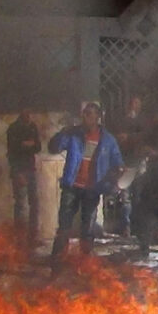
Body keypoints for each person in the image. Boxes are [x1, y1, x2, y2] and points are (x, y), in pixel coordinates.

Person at [48, 102, 124, 272]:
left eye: (90, 114)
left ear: (98, 117)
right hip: (72, 186)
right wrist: (63, 132)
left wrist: (116, 177)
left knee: (87, 228)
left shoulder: (108, 140)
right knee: (64, 226)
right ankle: (57, 264)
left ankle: (84, 265)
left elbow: (117, 162)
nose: (86, 117)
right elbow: (53, 148)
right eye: (85, 114)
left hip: (93, 188)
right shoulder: (74, 134)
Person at [6, 109, 41, 248]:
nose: (28, 116)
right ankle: (20, 239)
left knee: (35, 204)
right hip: (19, 170)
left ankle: (32, 237)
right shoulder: (13, 129)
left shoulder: (32, 127)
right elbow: (12, 152)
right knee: (20, 205)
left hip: (31, 169)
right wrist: (17, 172)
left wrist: (31, 145)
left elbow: (38, 146)